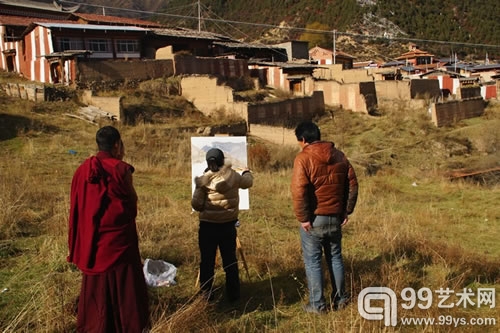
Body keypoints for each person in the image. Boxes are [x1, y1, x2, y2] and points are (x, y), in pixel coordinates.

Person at [67, 126, 149, 332]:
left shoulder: (82, 171)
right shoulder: (120, 169)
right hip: (119, 239)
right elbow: (131, 204)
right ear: (116, 146)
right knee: (125, 284)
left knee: (97, 285)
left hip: (94, 241)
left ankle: (95, 323)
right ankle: (126, 323)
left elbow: (78, 207)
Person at [291, 121, 358, 314]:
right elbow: (352, 184)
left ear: (303, 140)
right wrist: (346, 210)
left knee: (313, 262)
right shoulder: (340, 156)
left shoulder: (303, 158)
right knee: (335, 257)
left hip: (314, 218)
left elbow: (299, 190)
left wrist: (303, 218)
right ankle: (341, 299)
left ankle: (318, 305)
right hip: (335, 216)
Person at [191, 148, 253, 302]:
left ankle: (206, 296)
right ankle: (233, 295)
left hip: (207, 227)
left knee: (207, 262)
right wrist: (246, 172)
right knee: (230, 261)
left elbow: (197, 205)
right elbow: (248, 182)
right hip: (227, 226)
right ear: (222, 161)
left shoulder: (204, 181)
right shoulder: (234, 176)